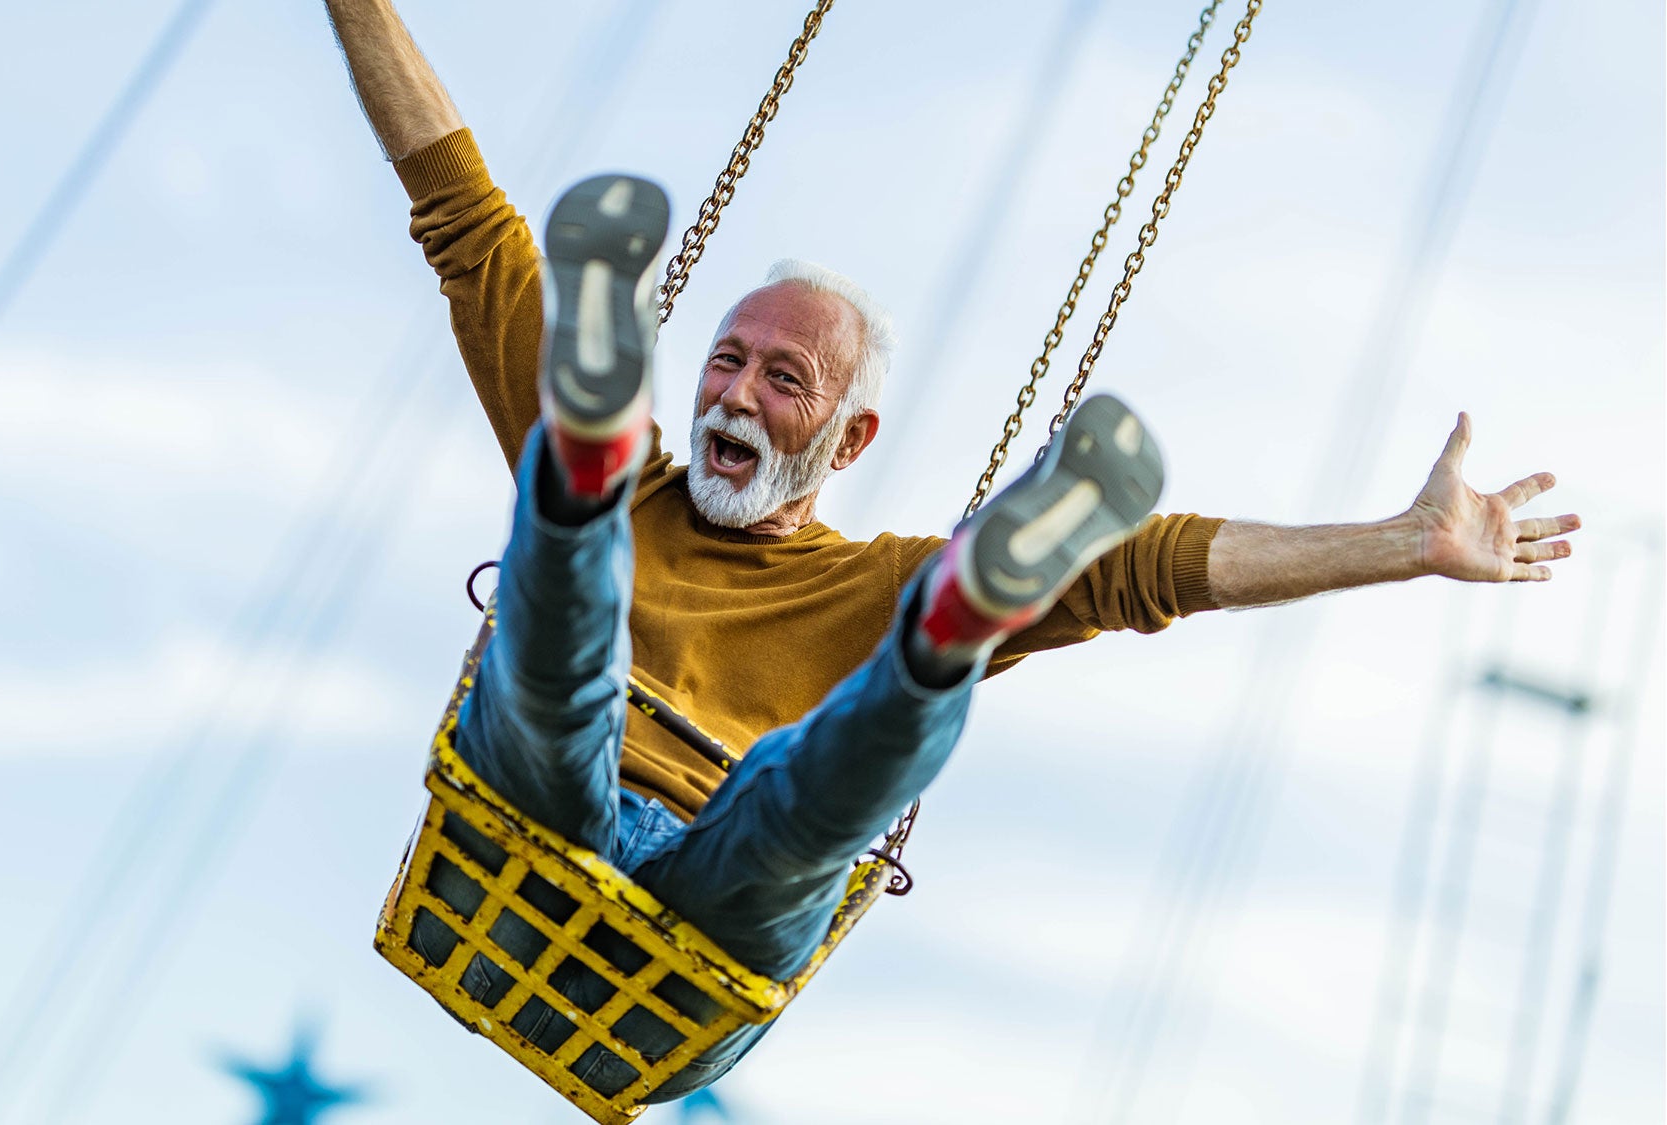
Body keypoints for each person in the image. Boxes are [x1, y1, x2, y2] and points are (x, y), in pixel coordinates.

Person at [322, 0, 1581, 1102]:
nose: (733, 399)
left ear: (850, 435)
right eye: (721, 360)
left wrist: (1400, 542)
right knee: (558, 681)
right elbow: (464, 219)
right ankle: (588, 454)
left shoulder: (860, 583)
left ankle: (947, 632)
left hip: (702, 929)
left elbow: (1145, 569)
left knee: (804, 810)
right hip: (540, 822)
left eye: (782, 379)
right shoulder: (664, 499)